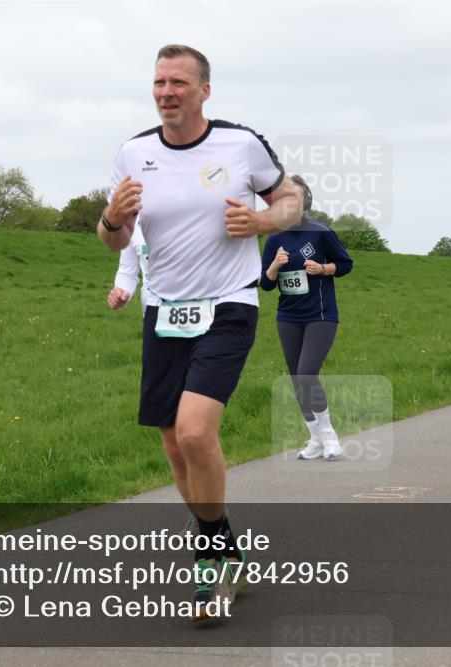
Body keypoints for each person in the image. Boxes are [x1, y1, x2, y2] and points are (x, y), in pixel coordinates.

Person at [96, 45, 303, 620]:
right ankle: (225, 545)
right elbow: (114, 240)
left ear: (204, 91)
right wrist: (113, 217)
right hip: (163, 310)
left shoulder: (240, 144)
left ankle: (209, 559)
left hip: (229, 305)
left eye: (179, 83)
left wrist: (263, 221)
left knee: (193, 433)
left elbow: (293, 197)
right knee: (171, 442)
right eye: (159, 82)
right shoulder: (133, 153)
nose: (166, 92)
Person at [261, 176, 353, 461]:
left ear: (306, 202)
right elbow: (265, 283)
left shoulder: (321, 232)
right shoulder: (274, 238)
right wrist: (275, 265)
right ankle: (314, 437)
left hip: (321, 315)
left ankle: (329, 436)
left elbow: (346, 264)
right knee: (296, 378)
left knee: (306, 373)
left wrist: (324, 268)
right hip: (287, 316)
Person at [107, 225, 150, 314]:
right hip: (153, 313)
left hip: (186, 307)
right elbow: (127, 272)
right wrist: (121, 291)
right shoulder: (134, 226)